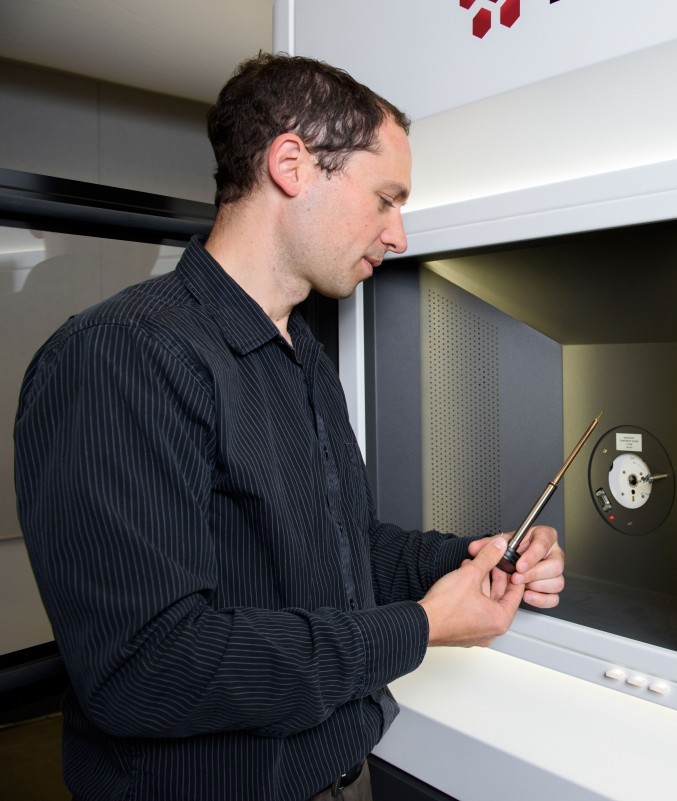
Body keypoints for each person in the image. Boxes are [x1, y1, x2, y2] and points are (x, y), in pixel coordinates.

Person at [13, 51, 565, 801]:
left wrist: (470, 557)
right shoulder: (121, 357)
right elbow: (147, 665)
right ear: (293, 165)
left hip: (342, 776)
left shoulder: (301, 354)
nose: (398, 234)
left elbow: (342, 549)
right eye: (385, 198)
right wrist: (419, 626)